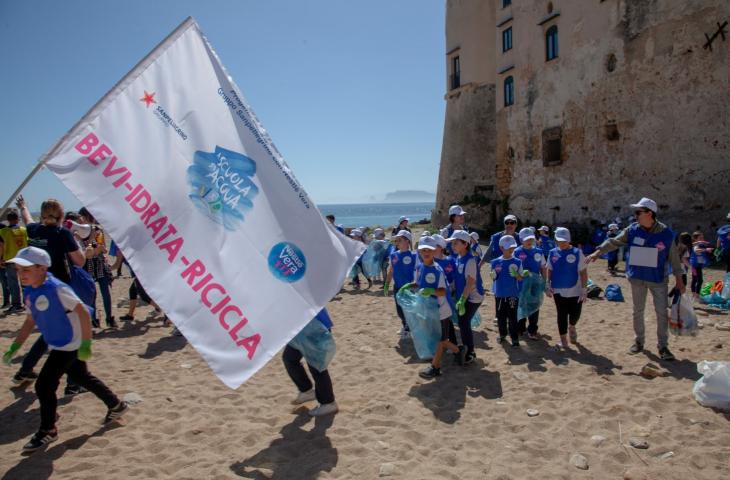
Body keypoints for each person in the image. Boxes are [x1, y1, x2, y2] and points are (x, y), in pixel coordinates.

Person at [2, 247, 128, 453]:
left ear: (42, 268)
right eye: (17, 270)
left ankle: (48, 430)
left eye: (25, 269)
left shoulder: (57, 289)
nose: (20, 274)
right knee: (81, 376)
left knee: (43, 386)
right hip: (58, 342)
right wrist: (15, 346)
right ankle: (116, 405)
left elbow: (84, 313)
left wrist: (86, 343)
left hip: (71, 342)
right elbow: (30, 320)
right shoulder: (31, 291)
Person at [587, 197, 685, 361]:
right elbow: (615, 241)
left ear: (650, 213)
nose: (635, 215)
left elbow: (675, 259)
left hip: (658, 279)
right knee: (637, 312)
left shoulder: (666, 234)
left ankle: (663, 346)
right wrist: (598, 252)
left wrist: (680, 280)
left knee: (661, 313)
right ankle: (639, 342)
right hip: (637, 278)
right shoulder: (632, 230)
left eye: (638, 212)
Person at [12, 197, 86, 389]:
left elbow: (28, 220)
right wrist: (76, 240)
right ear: (61, 215)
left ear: (43, 215)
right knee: (71, 332)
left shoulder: (34, 230)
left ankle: (25, 370)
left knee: (49, 331)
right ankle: (74, 382)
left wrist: (23, 207)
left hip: (38, 286)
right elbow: (80, 261)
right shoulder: (62, 233)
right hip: (58, 288)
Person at [404, 236, 463, 379]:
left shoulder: (437, 270)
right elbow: (419, 284)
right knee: (440, 339)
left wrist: (431, 291)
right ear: (419, 251)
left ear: (434, 251)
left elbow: (443, 291)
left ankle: (435, 367)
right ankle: (458, 351)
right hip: (428, 309)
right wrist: (409, 286)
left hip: (441, 310)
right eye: (423, 250)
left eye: (429, 250)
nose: (426, 252)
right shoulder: (420, 267)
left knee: (440, 340)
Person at [284, 309, 338, 416]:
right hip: (299, 328)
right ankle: (306, 391)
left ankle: (328, 403)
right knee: (289, 358)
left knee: (316, 366)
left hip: (315, 326)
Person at [545, 227, 588, 350]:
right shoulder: (553, 253)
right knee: (561, 314)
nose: (562, 243)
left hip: (575, 289)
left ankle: (572, 326)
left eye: (564, 240)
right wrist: (547, 284)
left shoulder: (577, 252)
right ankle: (563, 340)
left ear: (569, 240)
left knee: (575, 314)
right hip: (558, 289)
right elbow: (550, 269)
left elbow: (583, 272)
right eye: (559, 240)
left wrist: (584, 289)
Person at [449, 230, 485, 363]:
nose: (453, 245)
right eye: (452, 243)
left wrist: (462, 300)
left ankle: (470, 352)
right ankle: (467, 348)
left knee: (463, 322)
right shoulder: (458, 258)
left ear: (465, 244)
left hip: (473, 297)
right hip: (463, 296)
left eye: (456, 242)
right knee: (462, 322)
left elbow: (470, 282)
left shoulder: (470, 260)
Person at [490, 235, 525, 347]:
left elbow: (521, 278)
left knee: (513, 317)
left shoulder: (517, 261)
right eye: (508, 247)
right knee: (501, 316)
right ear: (501, 248)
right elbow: (494, 277)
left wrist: (517, 275)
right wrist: (493, 276)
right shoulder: (495, 262)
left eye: (512, 247)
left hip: (513, 294)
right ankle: (502, 334)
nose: (511, 249)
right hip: (499, 294)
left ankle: (514, 338)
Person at [514, 228, 547, 340]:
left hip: (535, 284)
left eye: (531, 239)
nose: (529, 241)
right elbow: (513, 268)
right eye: (526, 239)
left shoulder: (538, 251)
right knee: (521, 305)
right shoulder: (517, 252)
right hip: (521, 283)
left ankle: (532, 330)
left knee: (534, 305)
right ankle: (520, 328)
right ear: (521, 240)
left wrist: (544, 282)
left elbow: (543, 267)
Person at [384, 230, 417, 338]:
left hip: (409, 288)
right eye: (396, 240)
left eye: (400, 240)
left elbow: (418, 271)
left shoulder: (414, 255)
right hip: (397, 286)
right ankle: (405, 325)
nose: (397, 242)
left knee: (408, 309)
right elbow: (391, 270)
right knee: (399, 310)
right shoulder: (394, 255)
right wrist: (387, 284)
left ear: (407, 241)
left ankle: (409, 329)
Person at [0, 209, 29, 314]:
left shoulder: (3, 232)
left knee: (13, 284)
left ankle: (16, 305)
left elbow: (1, 246)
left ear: (8, 220)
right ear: (17, 219)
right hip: (23, 259)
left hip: (10, 259)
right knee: (25, 282)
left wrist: (1, 258)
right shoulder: (24, 230)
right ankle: (27, 303)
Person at [690, 231, 714, 299]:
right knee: (699, 280)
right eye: (700, 237)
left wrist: (707, 250)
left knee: (695, 280)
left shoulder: (700, 245)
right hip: (695, 266)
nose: (702, 239)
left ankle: (694, 294)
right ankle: (696, 295)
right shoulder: (696, 245)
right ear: (695, 239)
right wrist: (706, 249)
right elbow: (696, 250)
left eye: (703, 237)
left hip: (697, 265)